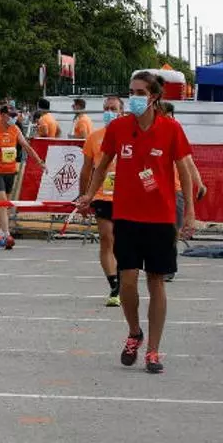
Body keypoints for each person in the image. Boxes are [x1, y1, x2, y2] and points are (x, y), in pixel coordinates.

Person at [77, 71, 195, 374]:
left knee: (156, 281)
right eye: (131, 92)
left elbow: (184, 171)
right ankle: (134, 332)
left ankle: (153, 351)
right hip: (126, 215)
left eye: (140, 93)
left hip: (160, 218)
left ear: (154, 96)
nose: (134, 98)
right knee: (127, 282)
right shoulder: (119, 128)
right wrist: (88, 194)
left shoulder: (171, 128)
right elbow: (101, 166)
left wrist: (190, 212)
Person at [0, 105, 46, 249]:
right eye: (11, 115)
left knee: (4, 206)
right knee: (2, 202)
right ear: (2, 115)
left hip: (10, 171)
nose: (14, 118)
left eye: (15, 115)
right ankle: (7, 235)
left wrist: (40, 162)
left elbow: (27, 147)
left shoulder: (15, 129)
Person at [79, 96, 125, 307]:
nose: (109, 112)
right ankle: (114, 285)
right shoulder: (94, 137)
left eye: (113, 109)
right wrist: (83, 196)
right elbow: (86, 170)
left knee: (124, 243)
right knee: (107, 238)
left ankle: (124, 279)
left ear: (122, 112)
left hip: (127, 197)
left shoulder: (132, 135)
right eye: (106, 108)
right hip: (102, 196)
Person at [159, 101, 208, 282]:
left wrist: (199, 183)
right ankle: (158, 263)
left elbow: (188, 162)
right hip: (154, 192)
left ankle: (168, 265)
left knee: (172, 230)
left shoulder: (175, 135)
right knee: (157, 231)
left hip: (175, 191)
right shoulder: (149, 135)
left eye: (168, 116)